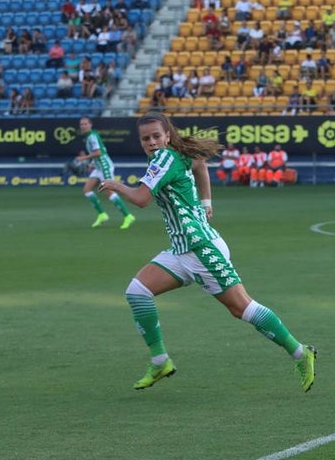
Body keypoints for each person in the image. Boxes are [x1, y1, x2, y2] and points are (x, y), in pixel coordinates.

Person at [97, 112, 317, 391]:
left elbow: (141, 200)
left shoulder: (164, 158)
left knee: (243, 308)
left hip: (201, 250)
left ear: (167, 135)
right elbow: (200, 163)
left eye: (156, 136)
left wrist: (117, 185)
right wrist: (206, 202)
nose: (151, 142)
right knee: (137, 291)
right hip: (182, 250)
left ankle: (301, 352)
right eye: (145, 139)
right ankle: (160, 360)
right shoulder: (171, 156)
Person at [74, 117, 136, 229]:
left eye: (85, 124)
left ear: (90, 125)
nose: (83, 126)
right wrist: (92, 164)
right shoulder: (90, 137)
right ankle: (102, 214)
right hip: (98, 167)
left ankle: (128, 215)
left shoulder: (92, 136)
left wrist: (84, 158)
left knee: (108, 191)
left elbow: (98, 152)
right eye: (81, 124)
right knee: (87, 189)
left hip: (105, 167)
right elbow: (99, 152)